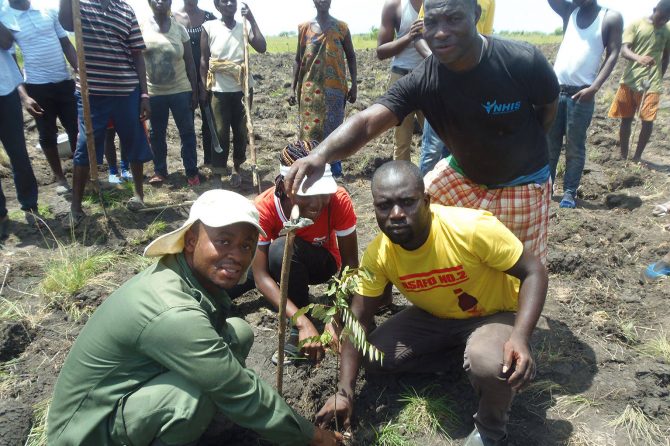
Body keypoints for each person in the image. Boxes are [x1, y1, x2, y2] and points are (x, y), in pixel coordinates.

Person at [46, 189, 343, 446]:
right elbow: (236, 389)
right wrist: (312, 437)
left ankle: (199, 424)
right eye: (223, 241)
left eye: (246, 246)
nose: (238, 256)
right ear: (190, 241)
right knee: (196, 396)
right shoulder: (172, 311)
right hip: (87, 432)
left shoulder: (184, 276)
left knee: (238, 332)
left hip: (125, 398)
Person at [285, 0, 559, 263]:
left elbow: (547, 111)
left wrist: (513, 153)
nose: (440, 32)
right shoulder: (425, 78)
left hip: (522, 182)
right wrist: (319, 155)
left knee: (519, 273)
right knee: (410, 214)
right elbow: (368, 122)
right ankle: (389, 291)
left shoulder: (522, 61)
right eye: (432, 22)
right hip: (464, 175)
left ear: (475, 15)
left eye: (453, 19)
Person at [315, 161, 548, 446]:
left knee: (489, 363)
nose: (396, 214)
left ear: (426, 201)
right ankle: (457, 359)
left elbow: (534, 271)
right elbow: (359, 318)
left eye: (407, 203)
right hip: (436, 316)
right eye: (384, 206)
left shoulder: (471, 228)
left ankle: (490, 430)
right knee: (373, 356)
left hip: (494, 313)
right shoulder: (380, 253)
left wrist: (521, 336)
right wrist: (343, 392)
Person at [251, 140, 358, 363]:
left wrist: (335, 316)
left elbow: (351, 264)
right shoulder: (264, 208)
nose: (317, 204)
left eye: (323, 193)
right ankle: (299, 323)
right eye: (307, 193)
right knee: (243, 274)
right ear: (285, 186)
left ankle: (296, 329)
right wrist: (303, 322)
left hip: (323, 263)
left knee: (282, 248)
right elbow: (261, 276)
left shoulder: (338, 201)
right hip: (278, 263)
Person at [58, 0, 154, 228]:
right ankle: (76, 208)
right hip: (92, 92)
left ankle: (138, 196)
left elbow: (137, 54)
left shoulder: (125, 9)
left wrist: (144, 95)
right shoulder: (79, 5)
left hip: (126, 90)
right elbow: (65, 22)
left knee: (133, 141)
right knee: (85, 145)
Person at [547, 0, 622, 209]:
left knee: (574, 146)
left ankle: (569, 192)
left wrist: (594, 88)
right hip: (556, 91)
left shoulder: (610, 17)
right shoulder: (570, 11)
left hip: (582, 95)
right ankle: (547, 189)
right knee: (550, 145)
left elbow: (614, 53)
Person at [3, 0, 78, 195]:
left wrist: (81, 70)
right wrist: (24, 97)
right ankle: (60, 178)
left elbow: (66, 43)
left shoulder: (48, 10)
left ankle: (81, 173)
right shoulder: (6, 17)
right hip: (36, 86)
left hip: (64, 80)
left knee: (77, 129)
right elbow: (11, 62)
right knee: (47, 133)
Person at [416, 0, 496, 175]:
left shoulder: (489, 1)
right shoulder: (433, 2)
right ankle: (422, 198)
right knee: (432, 149)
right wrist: (441, 62)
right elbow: (417, 34)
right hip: (440, 82)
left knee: (461, 147)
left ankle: (453, 195)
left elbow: (486, 36)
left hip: (474, 81)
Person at [288, 0, 357, 178]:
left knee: (334, 131)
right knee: (310, 132)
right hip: (310, 90)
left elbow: (351, 56)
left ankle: (334, 171)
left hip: (336, 89)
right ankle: (309, 170)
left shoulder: (342, 27)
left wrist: (354, 84)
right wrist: (292, 87)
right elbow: (298, 59)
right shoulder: (304, 28)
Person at [201, 0, 266, 188]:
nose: (229, 3)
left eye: (232, 1)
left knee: (241, 131)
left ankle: (237, 168)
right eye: (224, 1)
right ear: (217, 6)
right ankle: (218, 173)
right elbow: (204, 60)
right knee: (219, 133)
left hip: (242, 90)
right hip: (219, 89)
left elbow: (261, 47)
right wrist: (204, 88)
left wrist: (252, 19)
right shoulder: (209, 27)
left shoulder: (243, 27)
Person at [141, 0, 200, 186]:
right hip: (154, 92)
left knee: (187, 132)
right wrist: (141, 95)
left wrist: (195, 91)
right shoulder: (142, 27)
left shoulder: (179, 29)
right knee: (156, 133)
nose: (160, 1)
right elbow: (137, 62)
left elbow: (190, 62)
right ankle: (160, 171)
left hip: (180, 90)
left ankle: (191, 172)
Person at [608, 0, 670, 162]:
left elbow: (666, 57)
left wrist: (659, 77)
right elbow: (624, 50)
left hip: (652, 83)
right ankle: (623, 155)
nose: (663, 21)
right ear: (654, 10)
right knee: (626, 119)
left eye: (668, 18)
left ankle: (637, 157)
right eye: (662, 17)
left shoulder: (667, 31)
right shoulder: (636, 24)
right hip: (630, 80)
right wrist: (639, 58)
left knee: (648, 120)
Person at [0, 20, 40, 238]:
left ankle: (30, 205)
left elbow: (6, 42)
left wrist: (23, 95)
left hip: (5, 92)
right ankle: (1, 215)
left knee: (18, 154)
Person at [377, 0, 425, 161]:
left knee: (436, 139)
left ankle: (434, 182)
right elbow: (381, 51)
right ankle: (403, 183)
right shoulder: (395, 6)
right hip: (401, 77)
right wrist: (409, 36)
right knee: (402, 140)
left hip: (429, 76)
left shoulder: (437, 4)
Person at [174, 0, 217, 167]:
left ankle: (210, 161)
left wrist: (204, 81)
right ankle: (190, 165)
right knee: (187, 125)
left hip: (207, 77)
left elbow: (214, 50)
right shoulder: (172, 19)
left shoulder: (210, 18)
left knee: (210, 122)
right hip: (182, 80)